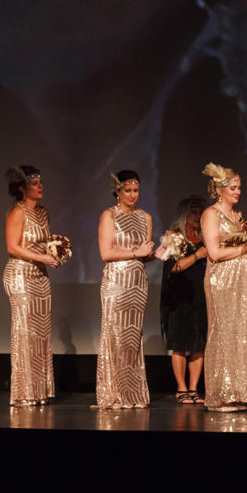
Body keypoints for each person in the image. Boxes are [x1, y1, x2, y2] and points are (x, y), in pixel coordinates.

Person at [200, 162, 247, 412]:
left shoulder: (239, 216)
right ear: (219, 190)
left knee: (240, 333)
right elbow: (214, 253)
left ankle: (236, 390)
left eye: (239, 188)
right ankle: (220, 393)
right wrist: (246, 248)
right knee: (223, 332)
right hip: (221, 281)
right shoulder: (210, 214)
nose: (238, 192)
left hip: (241, 282)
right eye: (233, 188)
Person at [95, 169, 154, 410]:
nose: (132, 195)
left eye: (136, 190)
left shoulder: (146, 217)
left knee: (132, 337)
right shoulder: (109, 216)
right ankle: (114, 393)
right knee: (115, 336)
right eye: (127, 190)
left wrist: (157, 254)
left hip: (138, 283)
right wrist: (135, 253)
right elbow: (106, 253)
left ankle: (133, 393)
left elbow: (144, 255)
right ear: (117, 191)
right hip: (116, 282)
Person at [3, 165, 60, 406]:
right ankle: (23, 391)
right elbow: (12, 247)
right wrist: (42, 257)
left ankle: (38, 391)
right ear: (22, 188)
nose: (40, 186)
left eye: (40, 182)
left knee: (40, 335)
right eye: (34, 183)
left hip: (40, 276)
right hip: (20, 275)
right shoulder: (17, 211)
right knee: (25, 333)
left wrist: (55, 251)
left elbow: (42, 243)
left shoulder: (43, 212)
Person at [159, 195, 209, 404]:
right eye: (193, 212)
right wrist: (199, 255)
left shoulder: (205, 237)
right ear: (184, 214)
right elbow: (174, 268)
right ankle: (181, 389)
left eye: (200, 212)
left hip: (201, 296)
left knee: (198, 344)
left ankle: (193, 389)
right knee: (179, 344)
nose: (197, 216)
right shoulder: (174, 237)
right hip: (179, 297)